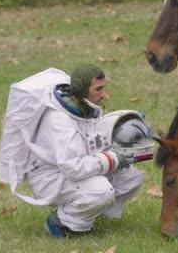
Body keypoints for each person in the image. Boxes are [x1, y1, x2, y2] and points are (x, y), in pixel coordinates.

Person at [20, 64, 145, 237]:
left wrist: (130, 135)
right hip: (50, 177)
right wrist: (113, 158)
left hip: (71, 169)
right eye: (98, 89)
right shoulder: (59, 120)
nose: (104, 94)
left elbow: (91, 144)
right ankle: (60, 222)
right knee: (102, 192)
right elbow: (73, 167)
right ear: (80, 89)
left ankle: (86, 216)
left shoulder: (87, 108)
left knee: (131, 177)